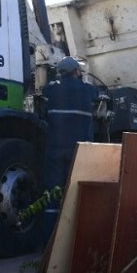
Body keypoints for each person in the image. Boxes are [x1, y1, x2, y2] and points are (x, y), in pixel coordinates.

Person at [41, 56, 99, 240]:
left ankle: (49, 240)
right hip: (79, 150)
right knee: (76, 191)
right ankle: (77, 238)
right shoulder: (88, 90)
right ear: (77, 72)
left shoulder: (50, 89)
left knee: (53, 192)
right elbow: (98, 96)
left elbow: (43, 93)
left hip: (55, 149)